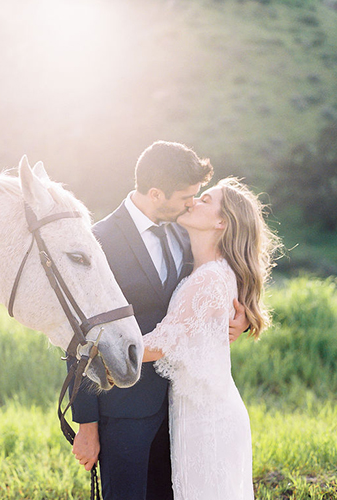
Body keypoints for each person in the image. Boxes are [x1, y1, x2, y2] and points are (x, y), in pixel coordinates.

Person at [70, 141, 250, 500]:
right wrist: (86, 423)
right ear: (156, 193)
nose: (192, 203)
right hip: (124, 412)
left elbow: (225, 267)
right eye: (188, 196)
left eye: (199, 197)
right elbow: (75, 335)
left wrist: (240, 313)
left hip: (182, 410)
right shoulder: (99, 242)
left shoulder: (186, 231)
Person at [141, 177, 279, 500]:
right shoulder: (211, 271)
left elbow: (164, 341)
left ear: (221, 222)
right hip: (204, 414)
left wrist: (106, 349)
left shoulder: (209, 280)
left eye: (205, 200)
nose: (193, 202)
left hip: (208, 424)